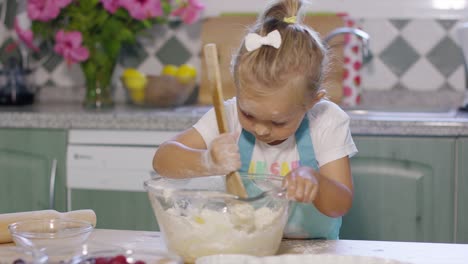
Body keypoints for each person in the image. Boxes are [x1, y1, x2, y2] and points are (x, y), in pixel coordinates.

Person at [153, 0, 357, 239]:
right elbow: (163, 160)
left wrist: (315, 181)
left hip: (314, 252)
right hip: (246, 247)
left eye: (278, 122)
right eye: (248, 114)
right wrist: (207, 161)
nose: (260, 129)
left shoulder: (325, 120)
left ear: (312, 102)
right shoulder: (227, 116)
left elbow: (340, 204)